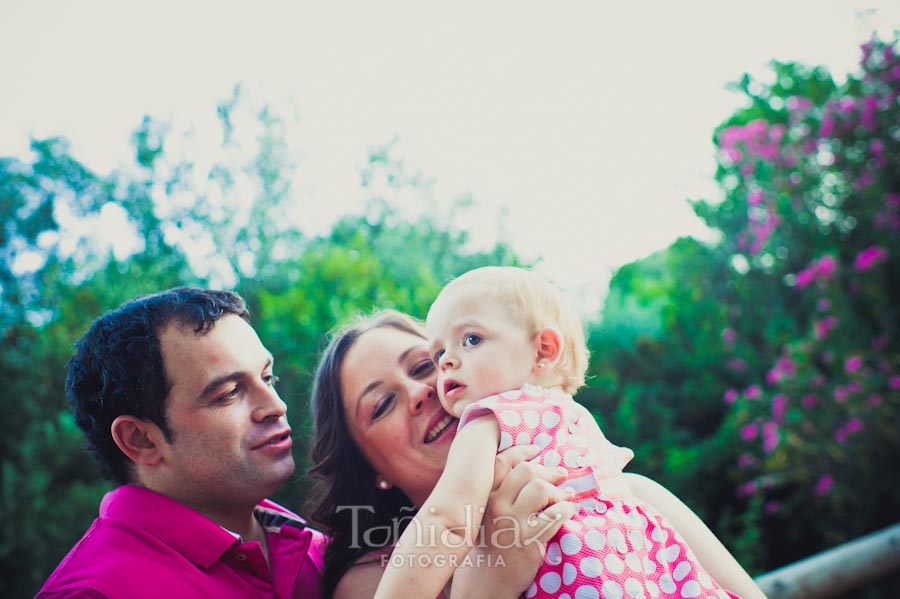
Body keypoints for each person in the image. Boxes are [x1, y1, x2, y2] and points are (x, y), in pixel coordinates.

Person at [375, 266, 767, 599]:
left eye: (471, 340)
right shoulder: (575, 418)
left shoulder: (488, 418)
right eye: (438, 355)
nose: (448, 363)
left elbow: (446, 519)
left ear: (544, 350)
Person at [37, 288, 328, 599]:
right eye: (229, 393)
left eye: (268, 378)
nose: (276, 406)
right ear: (142, 440)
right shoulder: (97, 592)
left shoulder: (321, 552)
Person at [306, 309, 578, 599]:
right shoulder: (370, 584)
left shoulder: (622, 491)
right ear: (372, 471)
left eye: (425, 365)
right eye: (383, 404)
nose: (418, 392)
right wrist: (487, 585)